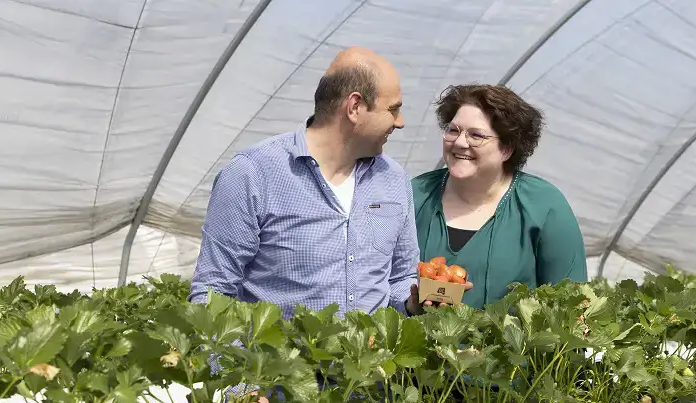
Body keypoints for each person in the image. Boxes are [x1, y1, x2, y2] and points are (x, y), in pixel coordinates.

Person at [189, 46, 426, 318]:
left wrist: (411, 304)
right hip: (281, 360)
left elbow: (399, 278)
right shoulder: (253, 174)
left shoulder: (393, 179)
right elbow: (213, 292)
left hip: (369, 360)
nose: (401, 122)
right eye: (393, 110)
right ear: (355, 107)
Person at [412, 84, 587, 309]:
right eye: (454, 130)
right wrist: (409, 306)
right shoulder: (416, 194)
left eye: (476, 135)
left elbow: (572, 304)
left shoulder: (545, 206)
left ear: (507, 148)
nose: (460, 142)